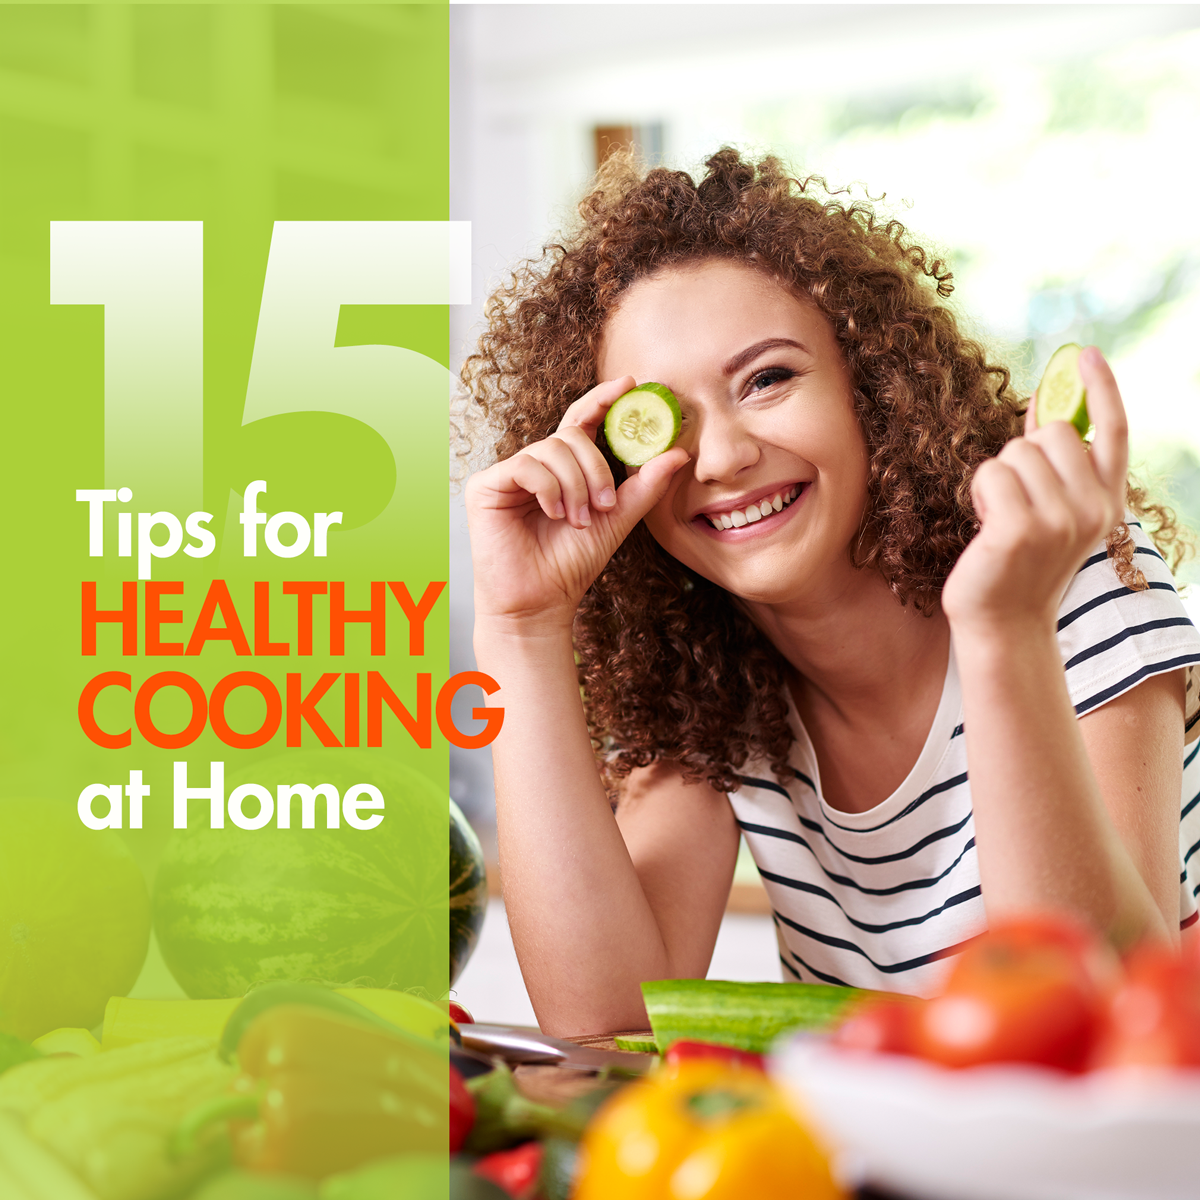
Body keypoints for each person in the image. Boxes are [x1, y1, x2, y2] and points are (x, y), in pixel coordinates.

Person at [462, 148, 1200, 1037]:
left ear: (871, 388)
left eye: (768, 380)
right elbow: (607, 1021)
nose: (725, 457)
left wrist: (1002, 630)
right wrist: (522, 629)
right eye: (668, 419)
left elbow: (1101, 1015)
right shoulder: (714, 690)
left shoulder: (1070, 588)